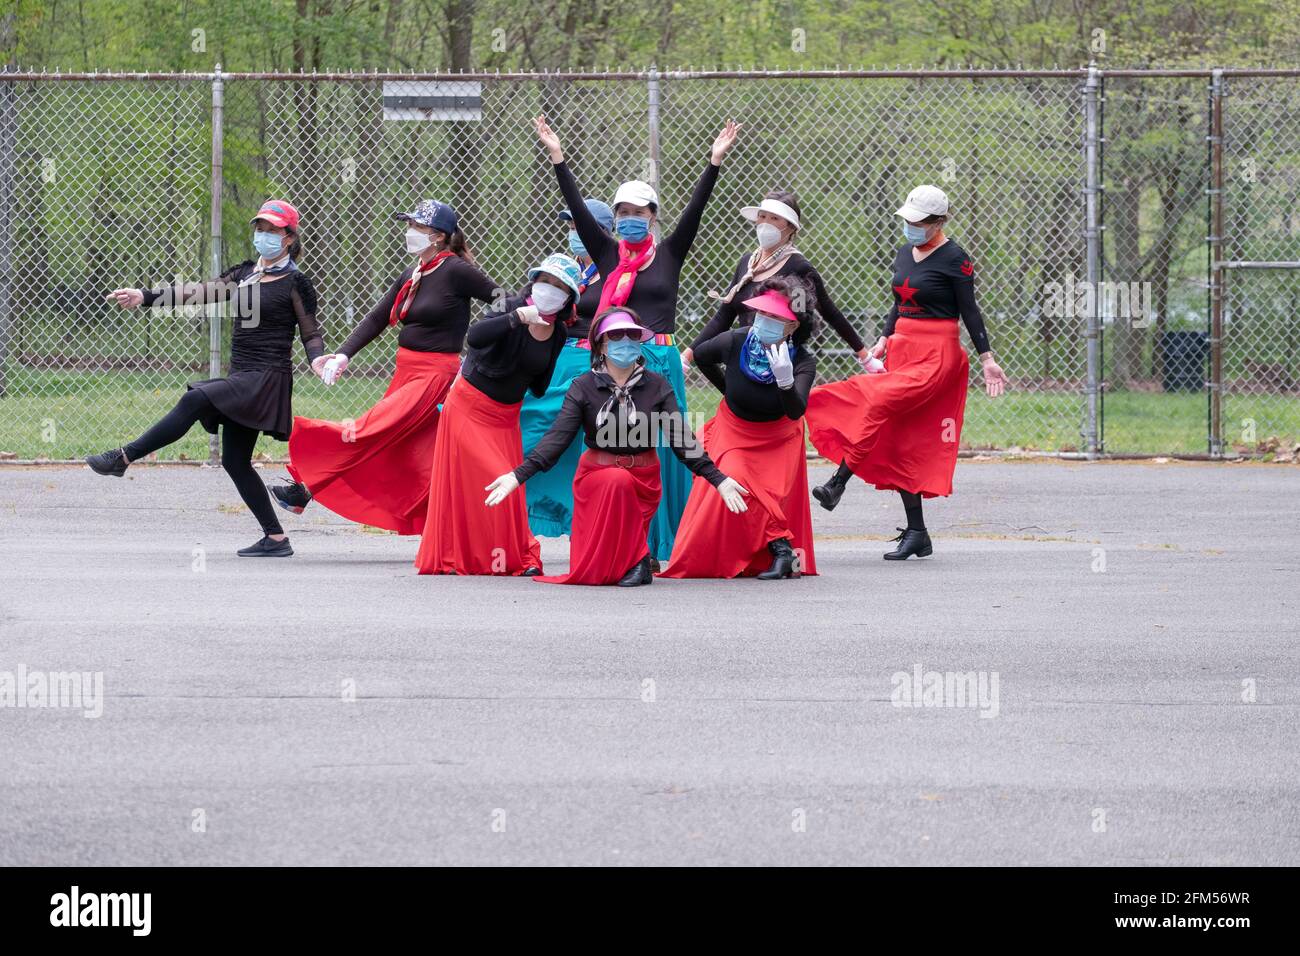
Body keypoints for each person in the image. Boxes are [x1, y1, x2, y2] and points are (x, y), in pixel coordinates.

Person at [531, 113, 741, 564]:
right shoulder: (606, 253)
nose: (629, 220)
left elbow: (696, 212)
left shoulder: (669, 253)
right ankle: (628, 545)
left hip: (660, 365)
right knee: (620, 451)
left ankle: (665, 546)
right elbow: (580, 209)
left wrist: (714, 163)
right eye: (622, 213)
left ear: (652, 217)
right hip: (616, 365)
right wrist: (558, 158)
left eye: (638, 213)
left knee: (664, 454)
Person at [87, 200, 327, 557]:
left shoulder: (296, 283)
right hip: (242, 373)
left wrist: (319, 359)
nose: (263, 235)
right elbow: (198, 292)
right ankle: (276, 539)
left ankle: (124, 457)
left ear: (289, 238)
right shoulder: (245, 273)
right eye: (259, 229)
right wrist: (145, 296)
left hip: (266, 379)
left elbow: (310, 333)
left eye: (273, 231)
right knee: (234, 460)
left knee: (195, 398)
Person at [272, 199, 502, 534]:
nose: (409, 233)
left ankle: (305, 486)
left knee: (368, 431)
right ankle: (442, 521)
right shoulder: (414, 273)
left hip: (434, 375)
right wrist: (343, 354)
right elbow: (379, 316)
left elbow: (502, 298)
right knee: (399, 450)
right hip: (406, 371)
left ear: (438, 236)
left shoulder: (456, 270)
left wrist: (478, 350)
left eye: (417, 228)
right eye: (409, 226)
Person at [806, 185, 1009, 560]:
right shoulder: (904, 252)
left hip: (937, 355)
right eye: (908, 220)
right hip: (903, 349)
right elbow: (899, 302)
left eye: (918, 222)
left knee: (875, 401)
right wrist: (884, 338)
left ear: (938, 222)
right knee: (899, 438)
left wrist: (986, 358)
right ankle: (917, 532)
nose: (910, 227)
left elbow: (970, 310)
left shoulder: (955, 258)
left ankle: (838, 482)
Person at [485, 307, 748, 587]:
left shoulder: (657, 386)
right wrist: (517, 475)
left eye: (632, 336)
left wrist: (718, 480)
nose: (625, 342)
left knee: (621, 482)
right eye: (616, 336)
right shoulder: (583, 386)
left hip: (643, 479)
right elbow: (557, 439)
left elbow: (682, 440)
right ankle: (636, 559)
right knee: (613, 491)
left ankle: (637, 559)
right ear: (601, 344)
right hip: (597, 476)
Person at [414, 253, 582, 576]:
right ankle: (468, 556)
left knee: (504, 485)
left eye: (560, 285)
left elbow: (540, 385)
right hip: (469, 407)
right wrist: (518, 318)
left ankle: (507, 558)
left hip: (506, 419)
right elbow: (474, 337)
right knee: (492, 481)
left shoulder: (558, 333)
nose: (550, 288)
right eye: (545, 280)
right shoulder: (509, 306)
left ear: (568, 299)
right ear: (534, 282)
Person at [661, 277, 818, 580]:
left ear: (793, 326)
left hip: (779, 437)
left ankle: (780, 552)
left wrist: (785, 382)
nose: (766, 321)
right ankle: (781, 548)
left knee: (766, 491)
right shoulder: (735, 341)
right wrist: (728, 390)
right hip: (735, 430)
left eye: (776, 317)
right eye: (763, 314)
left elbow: (796, 409)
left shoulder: (802, 362)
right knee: (734, 476)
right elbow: (704, 358)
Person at [681, 190, 873, 378]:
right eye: (762, 216)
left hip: (780, 364)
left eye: (774, 219)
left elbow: (821, 314)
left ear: (790, 227)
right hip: (745, 356)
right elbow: (724, 315)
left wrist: (865, 356)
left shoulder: (798, 267)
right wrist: (686, 356)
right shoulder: (747, 263)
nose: (765, 224)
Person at [517, 198, 616, 541]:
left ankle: (580, 519)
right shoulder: (566, 268)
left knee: (563, 429)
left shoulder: (616, 269)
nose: (575, 233)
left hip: (589, 361)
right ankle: (496, 472)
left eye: (581, 226)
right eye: (571, 227)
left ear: (601, 231)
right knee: (525, 412)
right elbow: (528, 301)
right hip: (554, 355)